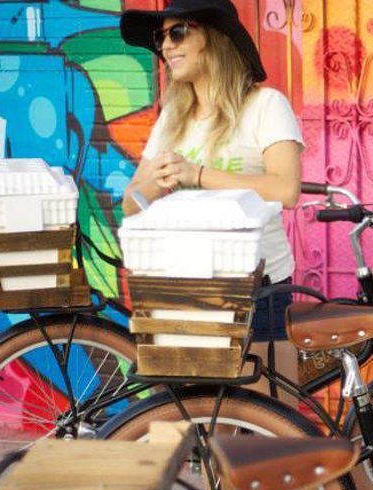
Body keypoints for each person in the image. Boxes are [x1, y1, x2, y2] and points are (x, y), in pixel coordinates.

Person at [119, 0, 304, 386]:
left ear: (216, 38)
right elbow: (131, 204)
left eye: (177, 32)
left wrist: (198, 174)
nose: (165, 46)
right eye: (160, 37)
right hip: (184, 287)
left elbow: (286, 189)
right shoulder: (172, 119)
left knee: (270, 411)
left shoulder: (265, 105)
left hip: (256, 287)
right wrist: (155, 185)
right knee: (202, 412)